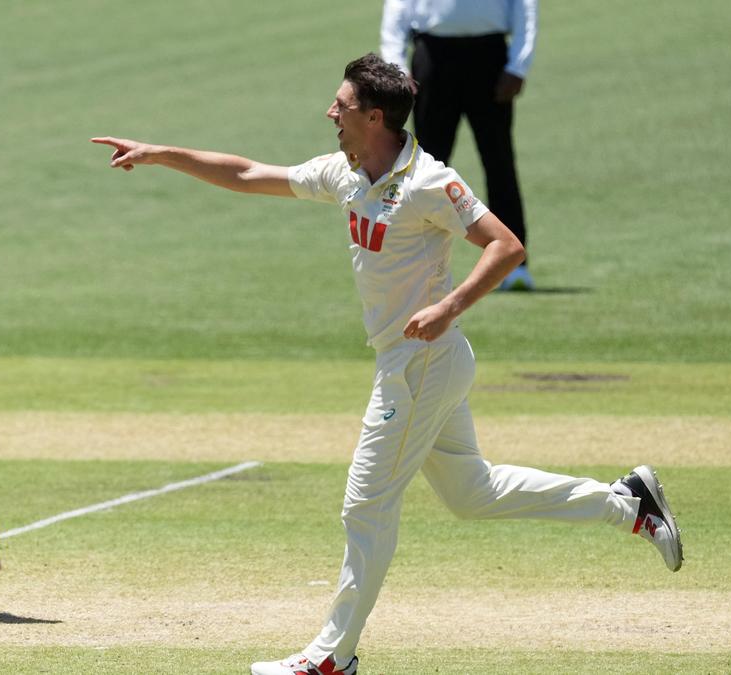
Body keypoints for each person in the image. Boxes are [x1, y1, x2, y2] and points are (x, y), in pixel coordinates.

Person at [93, 53, 682, 675]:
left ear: (375, 116)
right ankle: (627, 502)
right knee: (472, 495)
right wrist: (160, 152)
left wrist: (449, 307)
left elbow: (506, 246)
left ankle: (331, 657)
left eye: (341, 106)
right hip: (418, 362)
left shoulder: (430, 181)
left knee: (365, 506)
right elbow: (246, 173)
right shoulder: (348, 173)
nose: (330, 113)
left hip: (422, 361)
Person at [381, 0, 538, 290]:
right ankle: (418, 265)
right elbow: (398, 8)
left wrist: (519, 66)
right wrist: (397, 69)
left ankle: (513, 267)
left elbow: (524, 6)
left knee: (499, 162)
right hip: (432, 56)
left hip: (490, 58)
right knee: (423, 172)